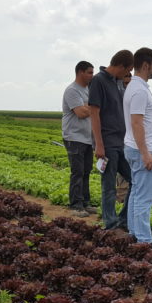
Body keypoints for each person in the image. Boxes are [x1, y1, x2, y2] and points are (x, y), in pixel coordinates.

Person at [123, 47, 152, 249]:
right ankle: (144, 241)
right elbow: (136, 123)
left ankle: (134, 234)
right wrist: (146, 153)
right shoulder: (139, 90)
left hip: (134, 148)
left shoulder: (135, 87)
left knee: (136, 192)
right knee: (144, 197)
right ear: (145, 65)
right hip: (141, 150)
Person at [89, 50, 134, 230]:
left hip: (121, 142)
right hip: (107, 143)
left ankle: (123, 219)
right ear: (121, 66)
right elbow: (94, 113)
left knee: (135, 180)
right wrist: (99, 144)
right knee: (109, 186)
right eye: (127, 70)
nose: (127, 75)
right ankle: (110, 223)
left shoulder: (117, 83)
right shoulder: (99, 81)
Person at [61, 60, 96, 216]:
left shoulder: (88, 90)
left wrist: (88, 106)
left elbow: (91, 109)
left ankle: (85, 203)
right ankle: (75, 205)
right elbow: (81, 113)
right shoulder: (72, 91)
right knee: (77, 172)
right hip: (74, 137)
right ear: (80, 72)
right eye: (89, 72)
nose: (92, 75)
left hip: (87, 138)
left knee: (86, 171)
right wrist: (92, 106)